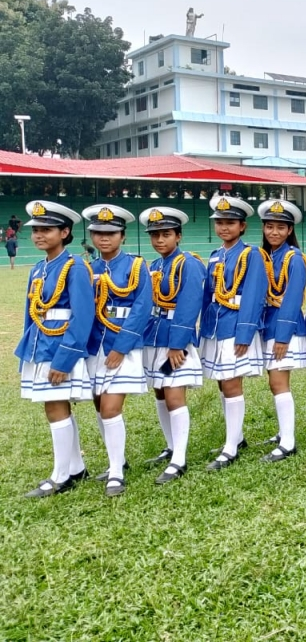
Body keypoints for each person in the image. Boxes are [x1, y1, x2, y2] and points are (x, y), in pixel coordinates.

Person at [16, 201, 94, 498]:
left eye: (46, 229)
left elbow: (82, 317)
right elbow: (31, 314)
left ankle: (61, 476)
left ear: (64, 232)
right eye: (35, 229)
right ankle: (75, 468)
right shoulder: (39, 268)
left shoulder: (75, 267)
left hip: (60, 348)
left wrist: (65, 358)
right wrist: (28, 353)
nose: (38, 235)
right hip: (40, 346)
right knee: (54, 407)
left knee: (55, 407)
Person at [83, 204, 154, 497]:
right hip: (93, 346)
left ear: (122, 236)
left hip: (122, 345)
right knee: (99, 405)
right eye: (98, 233)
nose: (104, 238)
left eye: (111, 233)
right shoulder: (89, 269)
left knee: (111, 408)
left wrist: (121, 347)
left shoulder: (136, 266)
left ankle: (116, 472)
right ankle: (119, 460)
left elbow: (142, 308)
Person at [199, 196, 268, 471]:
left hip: (236, 325)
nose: (224, 227)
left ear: (242, 226)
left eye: (230, 222)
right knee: (221, 382)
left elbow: (254, 294)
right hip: (216, 326)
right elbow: (208, 295)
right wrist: (204, 328)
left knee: (231, 383)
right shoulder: (216, 255)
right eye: (219, 223)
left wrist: (245, 332)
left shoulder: (251, 254)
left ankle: (231, 448)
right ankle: (235, 437)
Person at [139, 207, 205, 485]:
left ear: (178, 236)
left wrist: (177, 344)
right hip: (154, 338)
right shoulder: (155, 265)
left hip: (176, 341)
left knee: (174, 395)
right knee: (159, 391)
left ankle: (179, 458)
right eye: (154, 235)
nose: (159, 240)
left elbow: (189, 305)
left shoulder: (188, 263)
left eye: (166, 234)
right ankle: (170, 446)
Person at [256, 199, 306, 462]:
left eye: (280, 228)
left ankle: (288, 443)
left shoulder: (294, 258)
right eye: (269, 227)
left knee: (279, 382)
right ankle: (282, 433)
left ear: (290, 230)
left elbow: (292, 298)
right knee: (274, 382)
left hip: (283, 328)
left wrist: (283, 336)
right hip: (268, 325)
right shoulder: (266, 256)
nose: (274, 232)